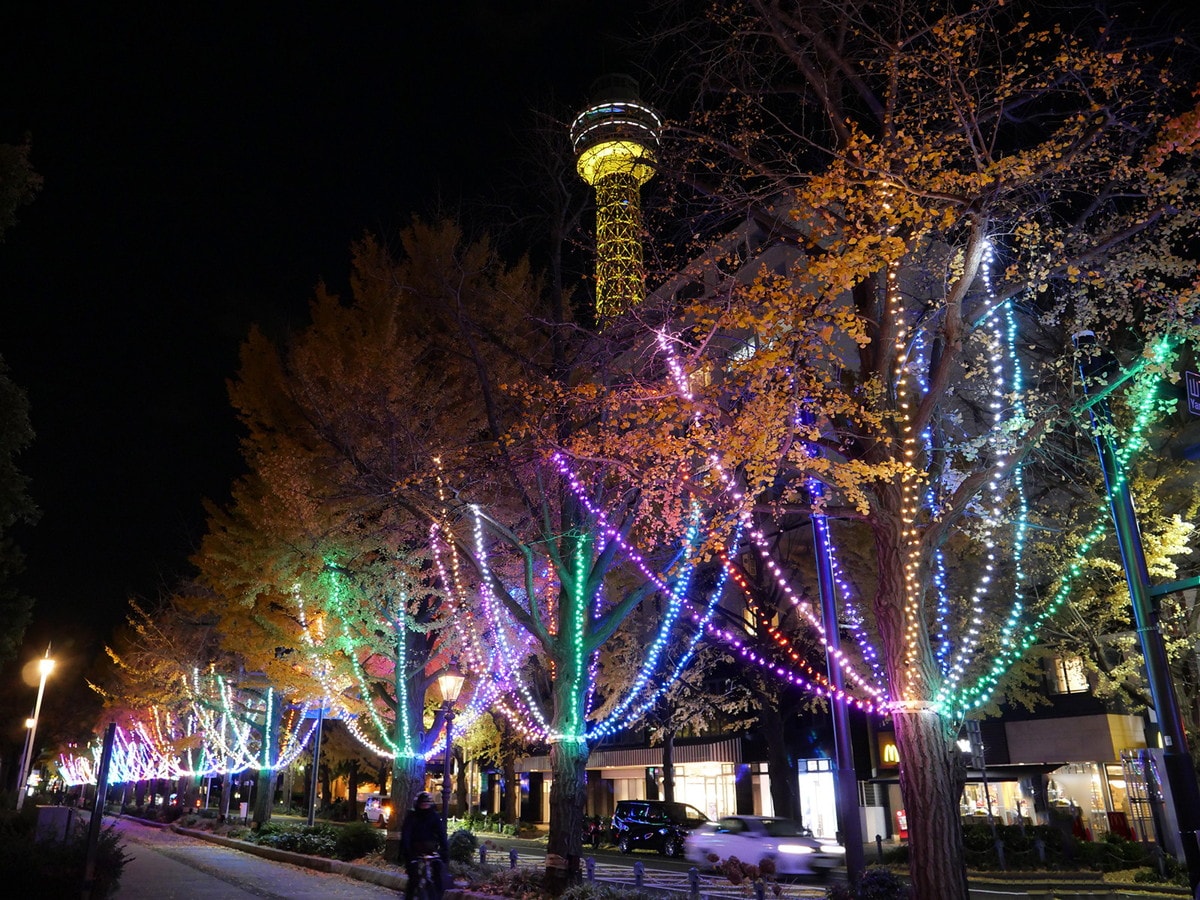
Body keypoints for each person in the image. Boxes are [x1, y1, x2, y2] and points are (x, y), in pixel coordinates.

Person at [400, 791, 448, 900]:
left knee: (437, 875)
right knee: (414, 878)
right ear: (417, 804)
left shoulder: (434, 816)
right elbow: (406, 835)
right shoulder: (411, 817)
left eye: (427, 804)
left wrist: (444, 850)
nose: (424, 806)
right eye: (422, 804)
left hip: (430, 848)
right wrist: (408, 853)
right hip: (414, 849)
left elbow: (441, 833)